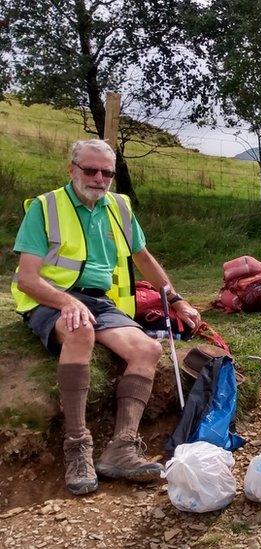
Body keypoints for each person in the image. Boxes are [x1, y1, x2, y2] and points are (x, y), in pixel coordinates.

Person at [11, 139, 202, 496]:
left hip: (100, 301)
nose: (99, 178)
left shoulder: (119, 207)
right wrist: (66, 302)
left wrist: (176, 301)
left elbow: (143, 258)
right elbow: (27, 278)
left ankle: (121, 448)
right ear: (72, 169)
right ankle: (77, 446)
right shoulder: (45, 207)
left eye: (107, 172)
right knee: (80, 331)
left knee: (147, 350)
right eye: (90, 170)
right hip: (49, 298)